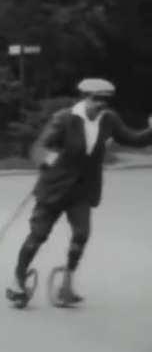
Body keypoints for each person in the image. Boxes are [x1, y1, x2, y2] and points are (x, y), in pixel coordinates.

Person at [9, 78, 152, 306]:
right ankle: (18, 281)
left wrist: (150, 131)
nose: (100, 105)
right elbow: (39, 147)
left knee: (82, 234)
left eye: (105, 101)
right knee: (39, 235)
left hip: (82, 190)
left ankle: (67, 283)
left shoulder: (109, 119)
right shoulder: (65, 118)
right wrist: (48, 161)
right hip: (55, 188)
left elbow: (133, 139)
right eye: (96, 100)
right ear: (85, 97)